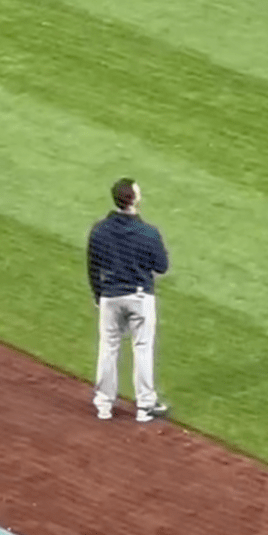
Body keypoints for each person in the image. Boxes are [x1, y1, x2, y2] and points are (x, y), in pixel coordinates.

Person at [86, 178, 170, 422]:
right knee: (142, 348)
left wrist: (98, 295)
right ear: (134, 199)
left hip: (110, 296)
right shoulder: (148, 232)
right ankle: (145, 407)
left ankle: (103, 404)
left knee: (108, 348)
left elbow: (93, 266)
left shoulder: (99, 230)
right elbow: (162, 267)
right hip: (139, 295)